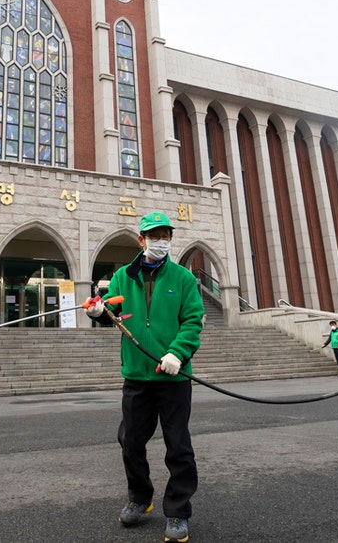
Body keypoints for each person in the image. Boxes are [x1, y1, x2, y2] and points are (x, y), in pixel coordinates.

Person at [85, 211, 203, 543]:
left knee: (178, 446)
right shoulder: (123, 275)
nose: (160, 241)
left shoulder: (183, 278)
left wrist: (177, 353)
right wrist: (99, 311)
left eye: (165, 235)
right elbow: (112, 309)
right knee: (131, 442)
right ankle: (140, 497)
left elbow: (193, 321)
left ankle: (178, 512)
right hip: (137, 375)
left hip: (173, 378)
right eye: (154, 236)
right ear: (141, 240)